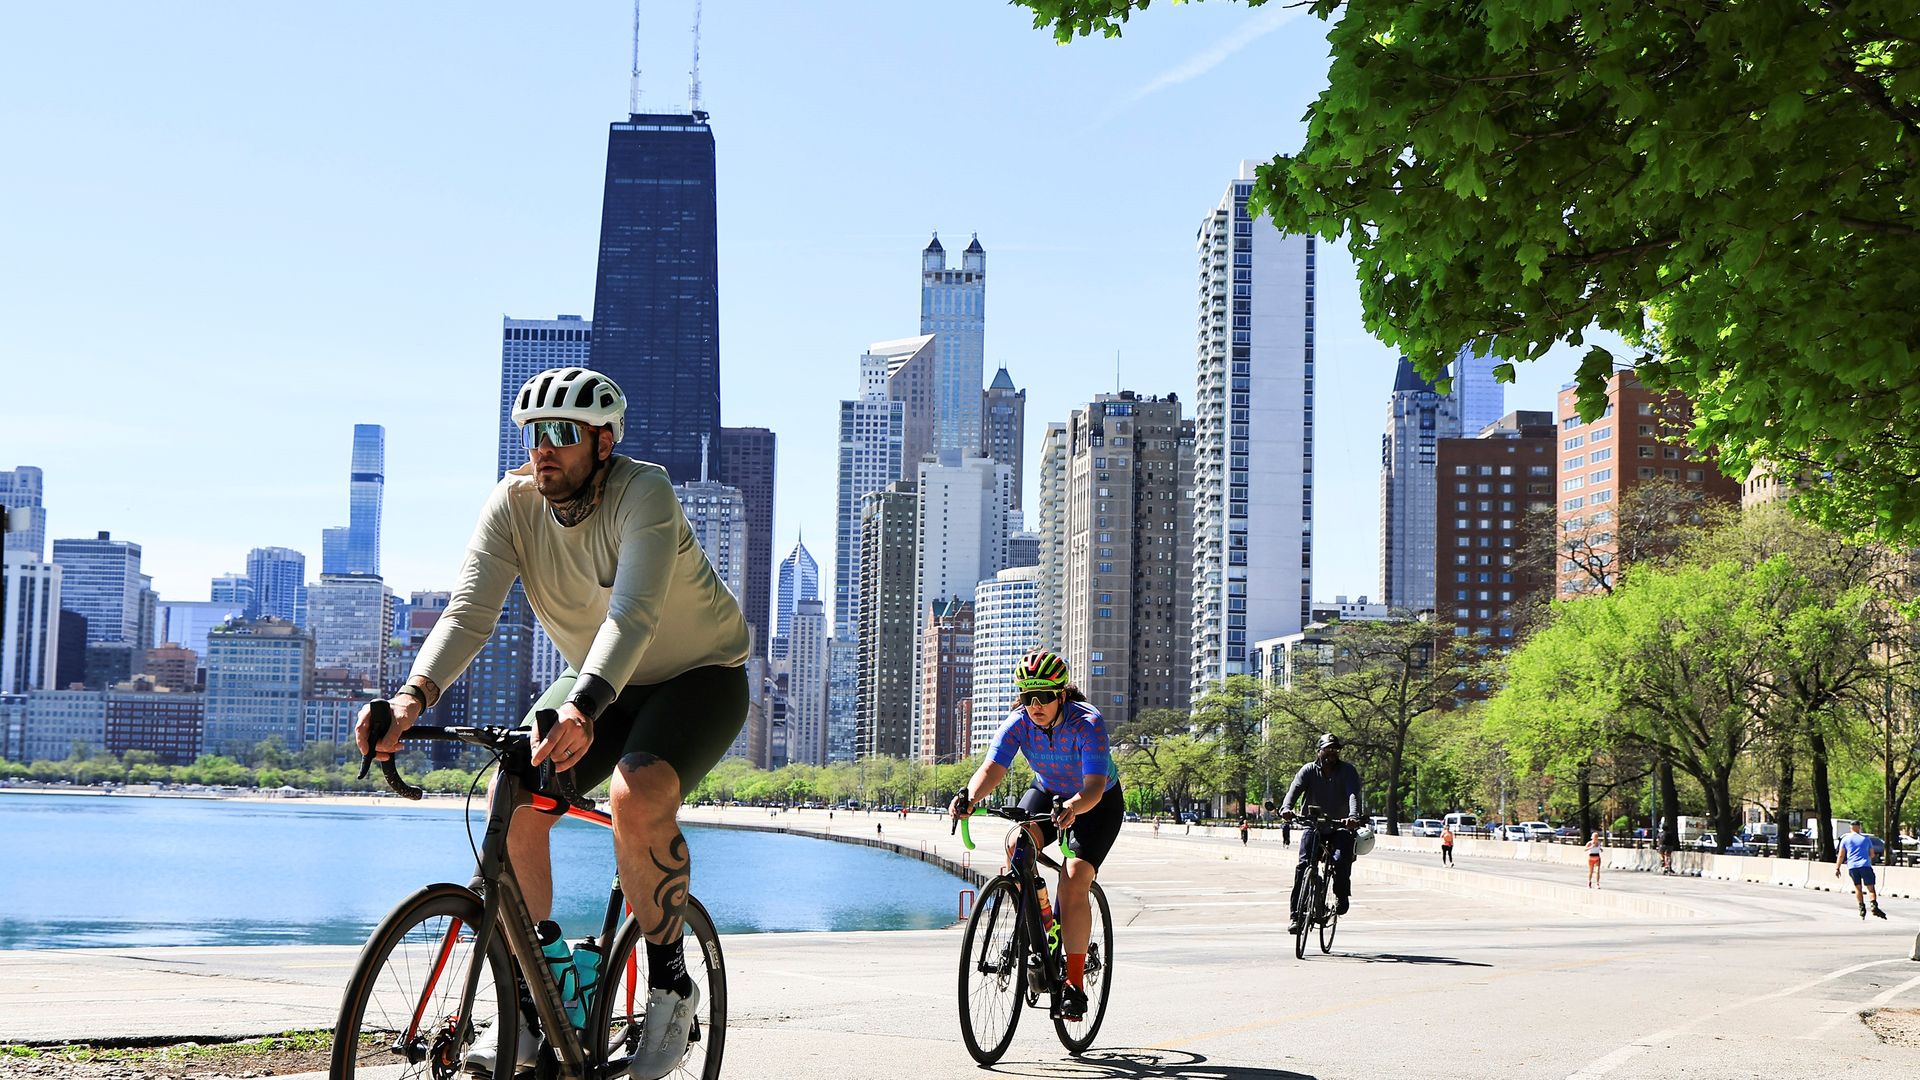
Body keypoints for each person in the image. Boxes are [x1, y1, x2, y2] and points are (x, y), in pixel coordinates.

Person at [355, 367, 749, 1080]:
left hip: (697, 675)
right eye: (535, 434)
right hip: (596, 680)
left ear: (603, 442)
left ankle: (670, 985)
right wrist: (410, 699)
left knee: (637, 795)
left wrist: (583, 707)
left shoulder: (644, 492)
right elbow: (468, 613)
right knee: (512, 798)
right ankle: (539, 998)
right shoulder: (511, 505)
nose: (545, 449)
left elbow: (633, 616)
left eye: (564, 434)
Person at [950, 650, 1122, 1022]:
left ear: (1061, 695)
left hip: (1097, 801)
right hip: (1047, 791)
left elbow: (1093, 787)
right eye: (1028, 697)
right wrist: (969, 796)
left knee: (1074, 878)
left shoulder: (1087, 723)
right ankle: (1039, 915)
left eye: (1044, 696)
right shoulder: (1018, 723)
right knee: (1016, 842)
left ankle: (1074, 985)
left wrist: (1074, 807)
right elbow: (992, 768)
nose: (1035, 705)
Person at [1278, 734, 1363, 934]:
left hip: (1340, 826)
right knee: (1303, 866)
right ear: (1319, 751)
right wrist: (1286, 808)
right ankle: (1296, 916)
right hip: (1313, 825)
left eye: (1335, 749)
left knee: (1341, 860)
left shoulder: (1348, 771)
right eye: (1328, 749)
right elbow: (1294, 790)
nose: (1332, 753)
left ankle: (1341, 895)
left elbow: (1353, 794)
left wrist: (1353, 816)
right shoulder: (1308, 770)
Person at [1836, 820, 1888, 920]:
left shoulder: (1845, 839)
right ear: (1859, 827)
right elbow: (1872, 854)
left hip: (1852, 867)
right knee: (1871, 889)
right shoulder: (1866, 839)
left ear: (1850, 828)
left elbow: (1841, 855)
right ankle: (1874, 906)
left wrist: (1837, 867)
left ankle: (1861, 908)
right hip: (1865, 865)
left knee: (1858, 888)